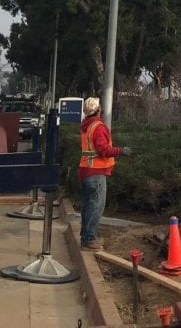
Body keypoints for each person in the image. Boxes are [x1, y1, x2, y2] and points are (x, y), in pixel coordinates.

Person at [79, 96, 132, 250]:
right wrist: (121, 151)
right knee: (96, 206)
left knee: (88, 205)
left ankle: (86, 237)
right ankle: (89, 240)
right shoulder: (98, 127)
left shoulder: (86, 125)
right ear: (98, 110)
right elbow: (103, 150)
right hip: (96, 172)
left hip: (85, 170)